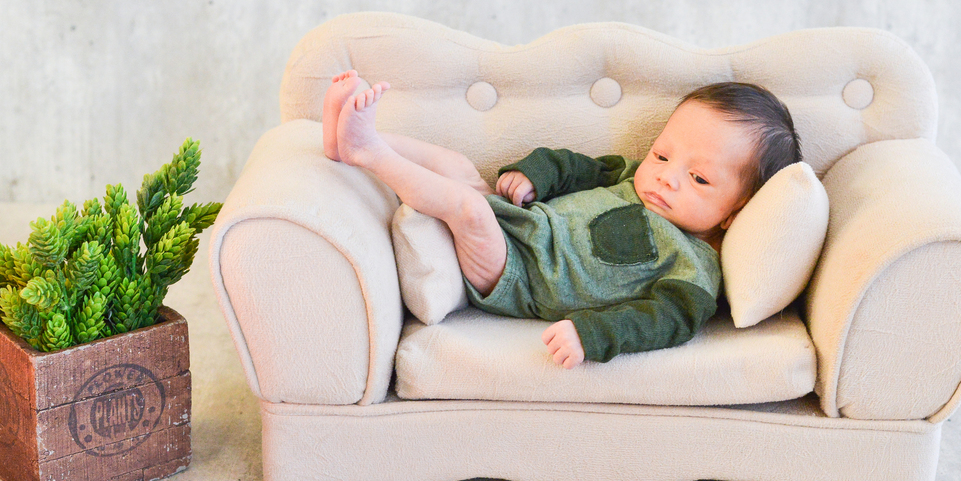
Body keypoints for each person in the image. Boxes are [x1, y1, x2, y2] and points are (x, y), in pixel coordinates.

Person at [322, 71, 801, 369]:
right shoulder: (631, 175)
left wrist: (591, 335)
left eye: (698, 178)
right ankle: (348, 144)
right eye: (662, 154)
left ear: (736, 211)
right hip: (519, 221)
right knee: (456, 166)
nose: (666, 178)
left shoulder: (694, 269)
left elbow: (659, 322)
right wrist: (534, 175)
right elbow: (572, 164)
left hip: (518, 276)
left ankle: (371, 153)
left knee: (465, 208)